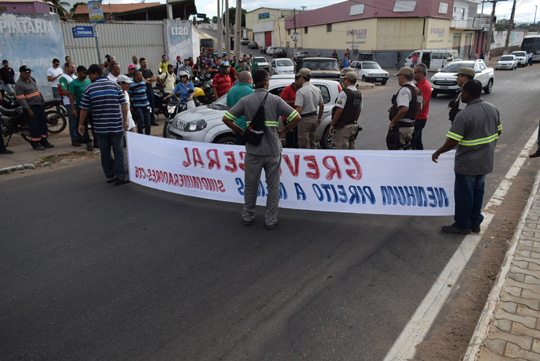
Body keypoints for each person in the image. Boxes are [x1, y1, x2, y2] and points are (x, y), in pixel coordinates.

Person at [222, 70, 301, 230]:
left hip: (253, 150)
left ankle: (248, 215)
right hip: (272, 150)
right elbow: (296, 117)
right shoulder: (275, 100)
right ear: (266, 82)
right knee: (273, 186)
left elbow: (226, 118)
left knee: (251, 185)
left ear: (253, 82)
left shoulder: (246, 100)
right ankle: (270, 219)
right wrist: (283, 131)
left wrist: (242, 131)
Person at [432, 79, 502, 234]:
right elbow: (498, 132)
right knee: (478, 193)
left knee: (464, 195)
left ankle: (462, 225)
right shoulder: (493, 109)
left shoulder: (464, 115)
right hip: (485, 162)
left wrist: (438, 152)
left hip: (468, 164)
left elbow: (452, 141)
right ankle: (475, 223)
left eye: (462, 91)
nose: (461, 94)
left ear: (468, 94)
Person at [78, 64, 129, 185]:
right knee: (118, 151)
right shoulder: (115, 86)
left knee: (105, 152)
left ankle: (110, 176)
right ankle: (121, 176)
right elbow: (124, 104)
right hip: (116, 126)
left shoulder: (89, 89)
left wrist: (81, 124)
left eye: (90, 75)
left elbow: (84, 109)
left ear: (95, 74)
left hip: (100, 128)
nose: (89, 77)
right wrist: (125, 121)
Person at [15, 65, 54, 150]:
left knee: (43, 124)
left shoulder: (31, 80)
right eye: (26, 72)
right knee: (34, 126)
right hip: (31, 108)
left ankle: (44, 141)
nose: (29, 74)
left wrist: (42, 100)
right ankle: (36, 143)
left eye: (29, 72)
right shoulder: (19, 84)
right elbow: (21, 99)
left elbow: (37, 91)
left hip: (39, 106)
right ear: (21, 73)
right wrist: (28, 110)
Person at [388, 67, 421, 150]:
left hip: (402, 127)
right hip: (411, 126)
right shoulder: (417, 89)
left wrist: (393, 121)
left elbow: (404, 109)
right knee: (406, 149)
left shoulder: (405, 90)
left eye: (398, 76)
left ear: (403, 76)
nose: (398, 79)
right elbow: (420, 107)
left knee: (396, 152)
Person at [329, 71, 362, 150]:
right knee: (351, 151)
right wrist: (354, 121)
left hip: (343, 127)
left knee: (341, 151)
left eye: (344, 80)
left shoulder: (344, 93)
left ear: (347, 80)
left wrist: (332, 124)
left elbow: (339, 111)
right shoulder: (359, 93)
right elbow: (359, 110)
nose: (343, 81)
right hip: (353, 126)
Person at [294, 68, 324, 149]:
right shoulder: (317, 89)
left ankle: (306, 160)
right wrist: (319, 118)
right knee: (312, 142)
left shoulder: (301, 91)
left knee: (304, 144)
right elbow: (321, 105)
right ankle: (314, 159)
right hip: (314, 117)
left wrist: (292, 120)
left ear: (301, 77)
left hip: (304, 120)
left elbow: (299, 109)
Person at [68, 65, 94, 151]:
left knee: (94, 125)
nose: (85, 75)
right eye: (83, 73)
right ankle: (88, 142)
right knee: (84, 126)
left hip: (91, 108)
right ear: (78, 73)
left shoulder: (88, 82)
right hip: (81, 109)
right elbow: (71, 97)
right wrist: (73, 109)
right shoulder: (73, 83)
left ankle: (97, 141)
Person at [226, 71, 254, 145]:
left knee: (241, 149)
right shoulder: (251, 92)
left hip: (237, 126)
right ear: (248, 80)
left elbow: (229, 109)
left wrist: (233, 126)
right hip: (248, 127)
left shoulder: (231, 91)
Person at [411, 63, 432, 150]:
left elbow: (422, 104)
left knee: (413, 140)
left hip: (420, 118)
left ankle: (415, 159)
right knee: (417, 141)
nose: (413, 74)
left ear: (421, 73)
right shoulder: (417, 85)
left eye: (415, 72)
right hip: (417, 118)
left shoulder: (425, 86)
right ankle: (421, 158)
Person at [59, 62, 79, 147]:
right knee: (72, 121)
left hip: (77, 102)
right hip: (69, 102)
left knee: (78, 121)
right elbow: (64, 91)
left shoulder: (75, 77)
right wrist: (74, 96)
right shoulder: (63, 78)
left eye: (74, 67)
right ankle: (74, 139)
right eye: (71, 67)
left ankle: (79, 137)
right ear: (66, 68)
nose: (73, 69)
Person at [280, 74, 302, 148]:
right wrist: (293, 101)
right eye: (300, 81)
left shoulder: (301, 89)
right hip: (288, 117)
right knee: (290, 138)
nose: (301, 83)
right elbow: (282, 102)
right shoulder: (287, 89)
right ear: (296, 80)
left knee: (296, 139)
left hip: (298, 116)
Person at [128, 70, 151, 135]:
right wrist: (131, 106)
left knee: (147, 121)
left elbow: (145, 91)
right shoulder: (132, 85)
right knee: (141, 120)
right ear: (136, 77)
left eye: (141, 75)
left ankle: (147, 134)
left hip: (146, 104)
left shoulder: (143, 82)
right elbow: (129, 95)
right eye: (140, 75)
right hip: (137, 105)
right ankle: (140, 134)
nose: (142, 77)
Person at [140, 58, 158, 125]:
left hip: (150, 91)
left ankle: (152, 120)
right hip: (144, 92)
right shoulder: (140, 71)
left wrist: (148, 79)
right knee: (145, 107)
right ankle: (146, 122)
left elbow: (154, 78)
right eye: (143, 62)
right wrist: (148, 80)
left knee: (152, 106)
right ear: (140, 63)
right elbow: (144, 81)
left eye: (145, 62)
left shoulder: (149, 71)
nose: (145, 63)